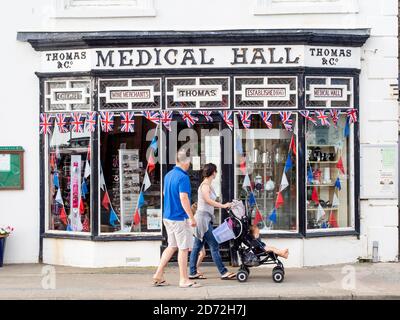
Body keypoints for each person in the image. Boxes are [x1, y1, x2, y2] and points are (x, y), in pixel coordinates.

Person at [152, 148, 201, 288]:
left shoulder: (168, 175)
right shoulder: (183, 177)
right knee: (183, 248)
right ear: (187, 162)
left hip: (167, 217)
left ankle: (158, 274)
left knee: (172, 246)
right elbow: (184, 198)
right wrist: (191, 217)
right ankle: (184, 279)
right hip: (179, 218)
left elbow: (164, 193)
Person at [189, 163, 236, 280]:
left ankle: (192, 272)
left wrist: (226, 204)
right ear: (213, 172)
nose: (216, 173)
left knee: (197, 246)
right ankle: (223, 272)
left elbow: (211, 200)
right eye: (215, 171)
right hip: (202, 220)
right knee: (214, 245)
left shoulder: (209, 185)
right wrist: (223, 206)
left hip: (205, 219)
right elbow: (208, 201)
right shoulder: (205, 186)